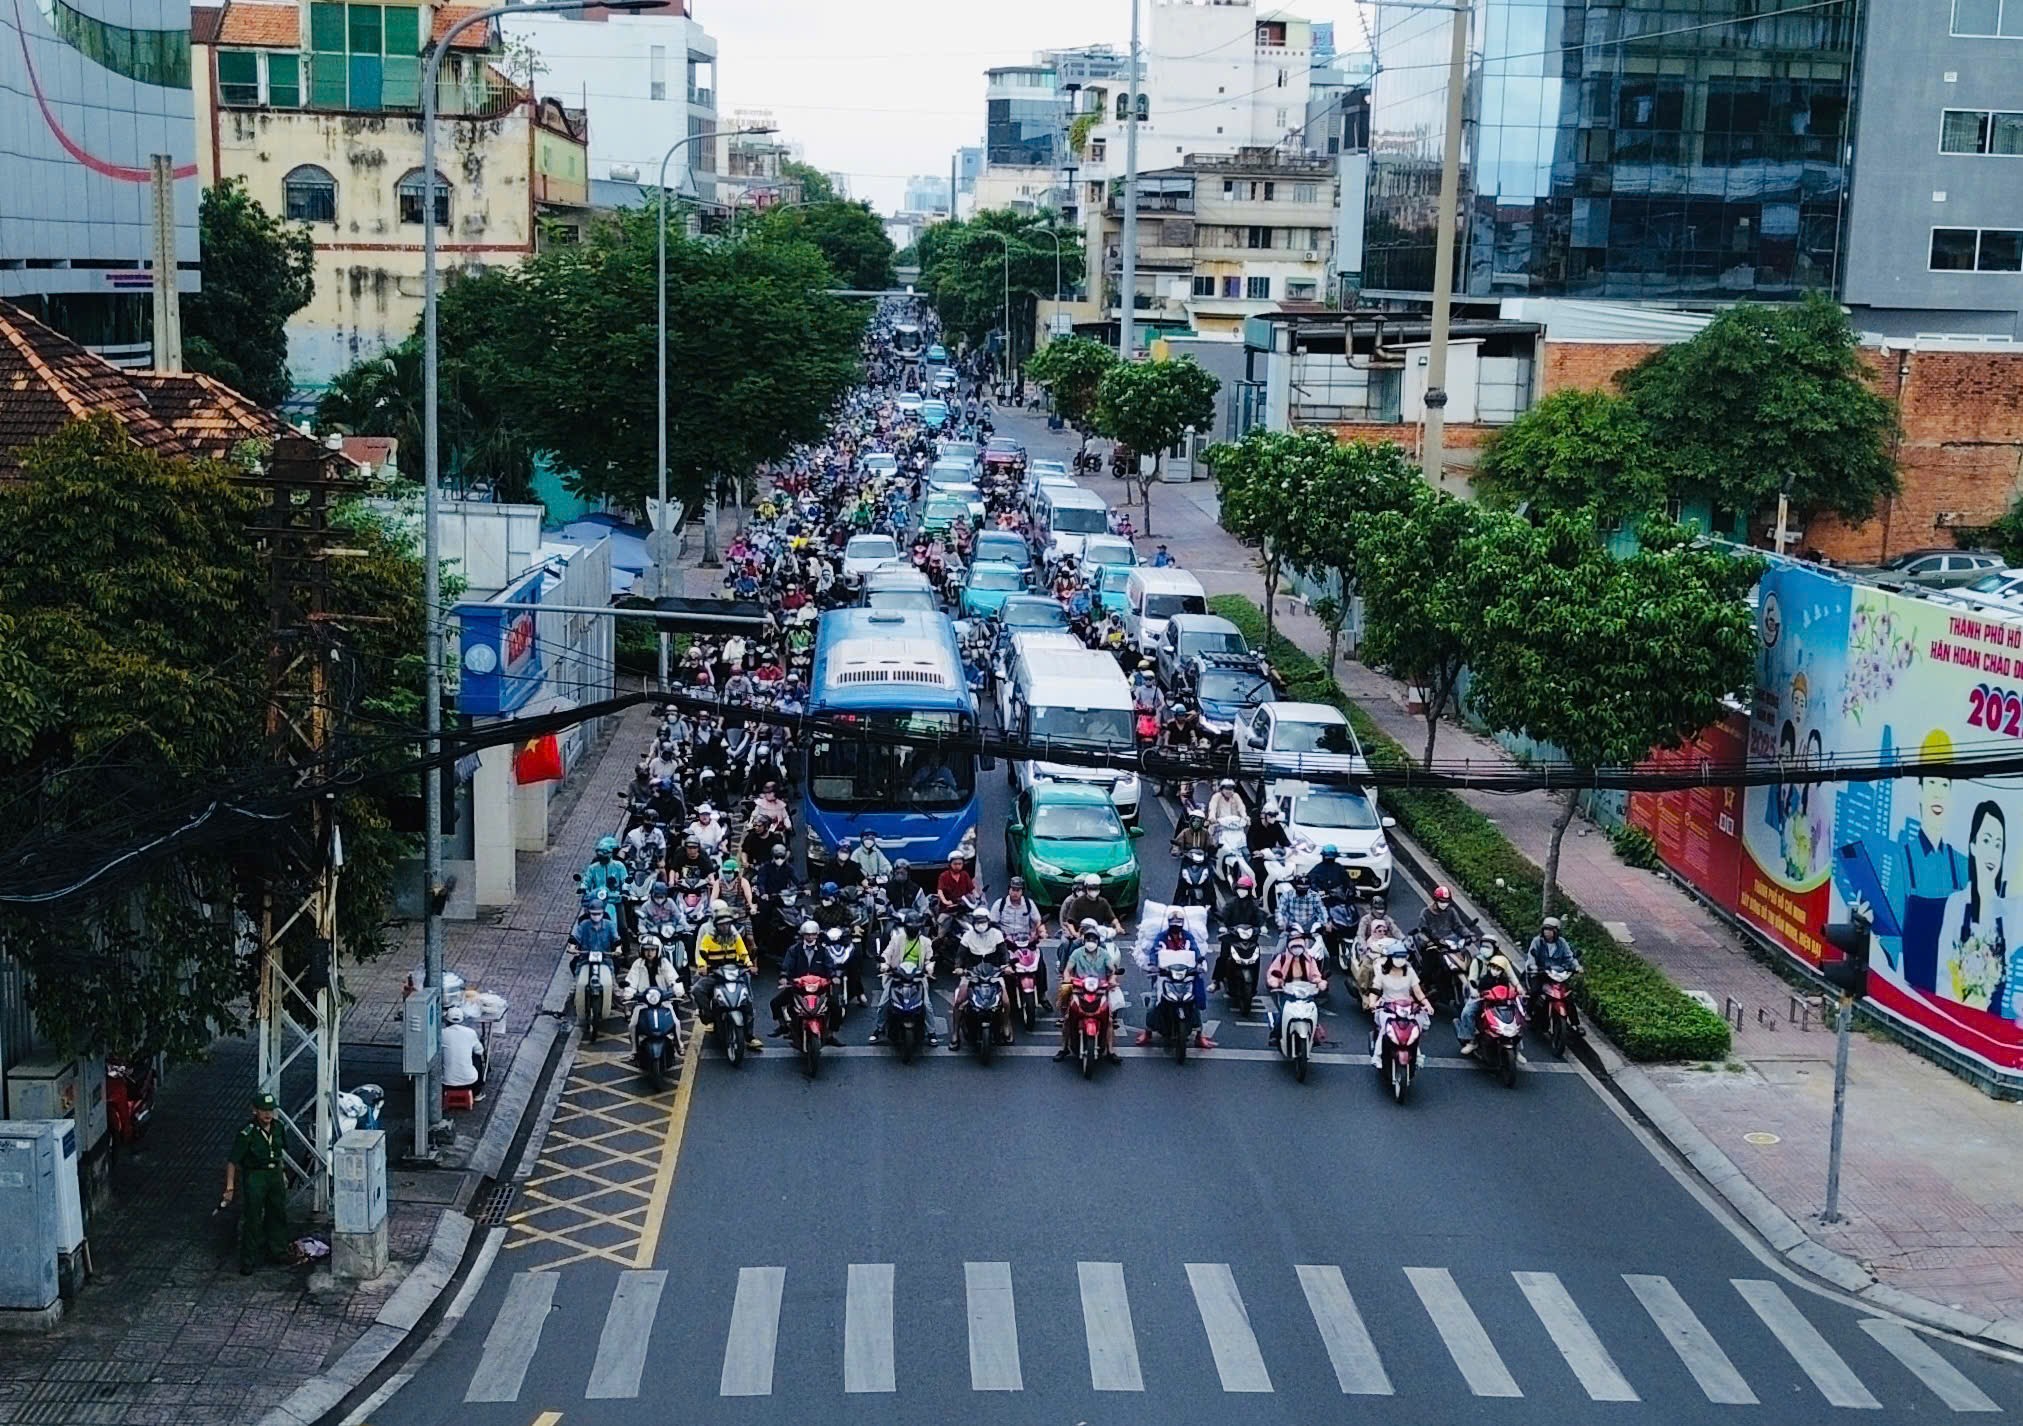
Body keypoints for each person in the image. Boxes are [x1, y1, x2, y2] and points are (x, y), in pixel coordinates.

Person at [221, 1092, 293, 1274]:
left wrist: (282, 1173)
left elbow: (280, 1153)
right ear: (255, 1111)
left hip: (274, 1174)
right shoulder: (247, 1133)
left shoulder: (278, 1128)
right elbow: (232, 1161)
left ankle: (278, 1251)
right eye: (264, 1110)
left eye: (271, 1110)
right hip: (255, 1175)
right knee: (253, 1216)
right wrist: (230, 1187)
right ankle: (249, 1260)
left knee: (277, 1212)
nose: (268, 1114)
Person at [1137, 910, 1214, 1049]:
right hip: (1165, 976)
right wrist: (1154, 965)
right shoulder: (1162, 937)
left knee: (1194, 1002)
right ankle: (1147, 1032)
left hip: (1184, 976)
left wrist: (1199, 961)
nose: (1176, 928)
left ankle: (1199, 1036)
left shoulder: (1187, 937)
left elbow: (1195, 950)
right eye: (1174, 925)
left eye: (1178, 925)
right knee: (1153, 1004)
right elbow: (1155, 951)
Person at [692, 909, 765, 1052]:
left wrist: (750, 966)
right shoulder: (709, 938)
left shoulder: (735, 936)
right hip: (715, 973)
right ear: (716, 925)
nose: (725, 927)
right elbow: (702, 953)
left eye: (727, 924)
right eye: (722, 924)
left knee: (748, 1001)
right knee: (697, 990)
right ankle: (709, 1017)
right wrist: (702, 966)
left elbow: (743, 952)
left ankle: (750, 1036)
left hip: (735, 973)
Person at [1054, 925, 1124, 1064]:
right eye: (1088, 939)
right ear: (1084, 940)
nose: (1091, 942)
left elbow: (1112, 970)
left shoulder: (1104, 954)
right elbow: (1068, 969)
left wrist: (1112, 979)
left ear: (1098, 941)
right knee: (1068, 1018)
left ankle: (1110, 1050)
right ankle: (1064, 1048)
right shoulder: (1077, 953)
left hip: (1100, 990)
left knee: (1109, 1020)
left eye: (1094, 939)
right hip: (1079, 989)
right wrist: (1067, 978)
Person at [869, 910, 939, 1045]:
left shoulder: (926, 942)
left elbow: (930, 959)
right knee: (884, 1002)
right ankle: (879, 1028)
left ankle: (931, 1032)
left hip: (918, 977)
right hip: (897, 976)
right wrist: (884, 963)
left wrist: (930, 967)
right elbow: (887, 953)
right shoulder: (897, 939)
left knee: (926, 1005)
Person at [949, 908, 1011, 1050]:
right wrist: (958, 967)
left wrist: (1006, 966)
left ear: (988, 921)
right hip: (972, 974)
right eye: (978, 922)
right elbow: (960, 955)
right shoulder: (968, 936)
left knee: (1006, 1002)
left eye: (983, 922)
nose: (980, 925)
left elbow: (1004, 953)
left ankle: (1006, 1025)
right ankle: (955, 1034)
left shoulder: (996, 934)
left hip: (994, 975)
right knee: (959, 1002)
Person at [1364, 941, 1433, 1065]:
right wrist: (1372, 1002)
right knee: (1386, 1028)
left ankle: (1417, 1055)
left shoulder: (1410, 972)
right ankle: (1377, 1056)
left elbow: (1418, 992)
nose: (1400, 960)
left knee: (1414, 1028)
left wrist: (1426, 1003)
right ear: (1390, 958)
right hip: (1387, 1007)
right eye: (1397, 957)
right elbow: (1375, 990)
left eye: (1402, 957)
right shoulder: (1382, 973)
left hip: (1407, 1008)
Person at [771, 921, 840, 1043]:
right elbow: (787, 965)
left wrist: (833, 976)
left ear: (817, 935)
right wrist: (784, 976)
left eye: (813, 934)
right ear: (803, 935)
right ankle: (783, 1026)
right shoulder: (794, 950)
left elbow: (829, 965)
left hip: (819, 988)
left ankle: (830, 1034)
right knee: (775, 1003)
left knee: (836, 1008)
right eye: (807, 934)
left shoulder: (823, 950)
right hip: (799, 987)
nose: (810, 937)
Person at [1458, 942, 1525, 1056]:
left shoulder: (1502, 967)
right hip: (1483, 999)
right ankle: (1471, 1040)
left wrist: (1518, 989)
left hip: (1501, 1002)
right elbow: (1472, 980)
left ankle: (1518, 1049)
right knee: (1467, 1013)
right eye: (1493, 967)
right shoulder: (1478, 964)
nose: (1495, 970)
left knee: (1517, 1018)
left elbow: (1511, 981)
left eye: (1488, 946)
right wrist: (1475, 992)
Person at [1264, 932, 1330, 1042]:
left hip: (1306, 991)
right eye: (1294, 947)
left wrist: (1320, 982)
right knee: (1283, 1014)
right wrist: (1275, 982)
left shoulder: (1309, 960)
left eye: (1299, 947)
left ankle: (1314, 1034)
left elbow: (1315, 975)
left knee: (1312, 1013)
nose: (1297, 949)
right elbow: (1272, 972)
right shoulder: (1282, 958)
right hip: (1287, 992)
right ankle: (1276, 1035)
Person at [991, 877, 1049, 996]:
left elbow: (1038, 922)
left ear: (1022, 891)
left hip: (1026, 942)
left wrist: (1042, 932)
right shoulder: (999, 905)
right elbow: (992, 924)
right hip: (1006, 943)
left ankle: (1042, 994)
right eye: (1013, 889)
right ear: (1009, 890)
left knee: (1040, 963)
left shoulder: (1028, 904)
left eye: (1018, 890)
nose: (1015, 892)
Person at [1525, 915, 1583, 996]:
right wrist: (1534, 968)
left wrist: (1577, 966)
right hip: (1540, 974)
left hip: (1556, 976)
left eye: (1550, 929)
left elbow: (1569, 958)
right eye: (1545, 929)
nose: (1547, 932)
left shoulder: (1562, 943)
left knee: (1569, 995)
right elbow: (1531, 957)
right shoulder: (1537, 941)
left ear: (1556, 931)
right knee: (1535, 993)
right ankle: (1529, 1008)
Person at [441, 1004, 487, 1094]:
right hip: (470, 1082)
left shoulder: (442, 1034)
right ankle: (477, 1093)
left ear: (446, 1020)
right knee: (476, 1055)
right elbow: (480, 1051)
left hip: (446, 1083)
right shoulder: (470, 1032)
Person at [1276, 872, 1326, 948]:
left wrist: (1324, 922)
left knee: (1325, 955)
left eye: (1305, 889)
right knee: (1278, 952)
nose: (1303, 891)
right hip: (1292, 930)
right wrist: (1281, 923)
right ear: (1295, 887)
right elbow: (1280, 911)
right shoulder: (1287, 895)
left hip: (1311, 931)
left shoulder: (1314, 896)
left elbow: (1322, 911)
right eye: (1300, 888)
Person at [581, 835, 628, 902]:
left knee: (624, 909)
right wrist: (584, 888)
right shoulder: (593, 868)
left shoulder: (619, 866)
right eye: (600, 856)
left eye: (604, 855)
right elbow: (586, 880)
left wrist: (625, 891)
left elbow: (625, 880)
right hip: (596, 898)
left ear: (610, 854)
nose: (602, 858)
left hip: (615, 898)